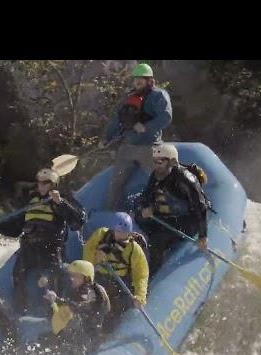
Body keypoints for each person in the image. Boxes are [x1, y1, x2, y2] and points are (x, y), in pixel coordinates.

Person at [0, 167, 86, 314]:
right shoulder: (31, 201)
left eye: (45, 183)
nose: (41, 186)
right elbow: (16, 227)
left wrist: (60, 203)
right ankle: (20, 311)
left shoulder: (62, 198)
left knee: (54, 277)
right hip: (29, 248)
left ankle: (56, 315)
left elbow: (78, 221)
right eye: (39, 183)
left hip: (51, 248)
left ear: (53, 184)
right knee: (17, 275)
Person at [102, 63, 173, 210]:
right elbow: (117, 120)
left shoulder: (159, 95)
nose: (137, 82)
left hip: (150, 147)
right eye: (136, 79)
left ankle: (168, 212)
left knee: (160, 180)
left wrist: (145, 127)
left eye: (141, 78)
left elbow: (165, 117)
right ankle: (110, 213)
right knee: (116, 183)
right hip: (128, 148)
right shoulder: (129, 97)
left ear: (150, 80)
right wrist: (107, 139)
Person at [131, 143, 209, 275]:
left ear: (172, 162)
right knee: (138, 215)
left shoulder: (185, 178)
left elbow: (200, 207)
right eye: (154, 162)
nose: (156, 165)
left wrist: (203, 236)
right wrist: (146, 207)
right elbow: (146, 196)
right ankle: (162, 241)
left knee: (158, 239)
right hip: (169, 216)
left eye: (160, 162)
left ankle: (153, 272)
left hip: (187, 220)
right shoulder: (157, 174)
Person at [31, 260, 110, 355]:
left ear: (86, 278)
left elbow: (79, 305)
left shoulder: (90, 291)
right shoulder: (86, 288)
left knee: (48, 345)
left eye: (76, 276)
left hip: (87, 339)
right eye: (71, 275)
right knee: (43, 339)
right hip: (79, 335)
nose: (72, 279)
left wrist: (58, 300)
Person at [83, 212, 149, 332]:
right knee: (93, 300)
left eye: (123, 232)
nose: (119, 235)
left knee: (117, 306)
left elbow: (141, 275)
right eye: (117, 231)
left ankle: (108, 331)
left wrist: (140, 296)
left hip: (120, 282)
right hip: (100, 277)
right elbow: (87, 252)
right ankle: (89, 329)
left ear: (129, 233)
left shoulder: (134, 249)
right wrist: (95, 257)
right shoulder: (101, 235)